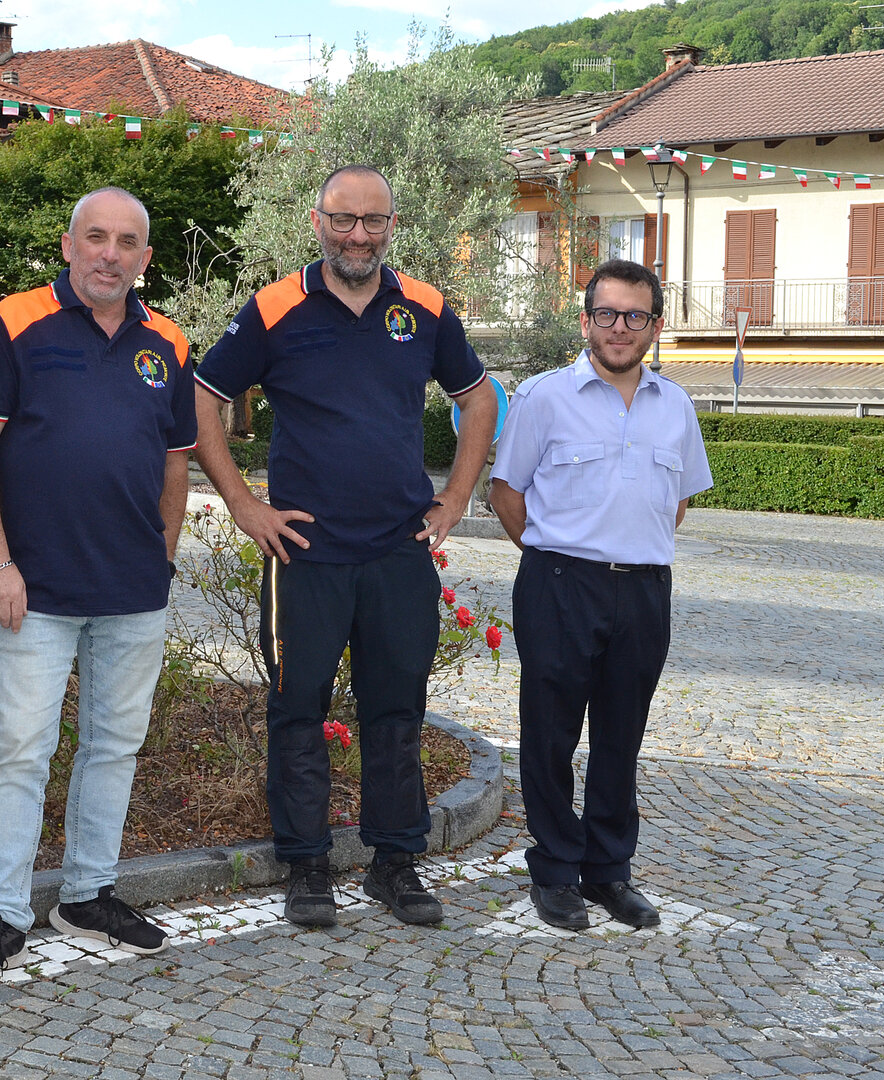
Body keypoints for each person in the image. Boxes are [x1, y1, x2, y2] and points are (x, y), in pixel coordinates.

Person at [192, 165, 497, 928]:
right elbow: (202, 398)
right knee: (298, 708)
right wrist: (243, 504)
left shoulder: (425, 307)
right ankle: (306, 867)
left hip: (399, 550)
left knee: (397, 710)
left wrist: (457, 495)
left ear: (392, 225)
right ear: (316, 221)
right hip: (305, 552)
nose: (358, 235)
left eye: (373, 221)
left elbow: (479, 398)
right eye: (343, 219)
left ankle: (396, 863)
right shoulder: (274, 307)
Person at [0, 187, 194, 990]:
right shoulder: (13, 321)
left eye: (126, 242)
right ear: (68, 245)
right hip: (34, 589)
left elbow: (176, 461)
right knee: (20, 751)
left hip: (133, 590)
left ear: (144, 258)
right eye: (95, 237)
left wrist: (162, 559)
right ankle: (3, 915)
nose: (109, 254)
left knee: (114, 747)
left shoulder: (169, 342)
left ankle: (87, 896)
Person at [488, 258, 712, 932]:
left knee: (621, 736)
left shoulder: (676, 406)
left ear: (655, 326)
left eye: (635, 315)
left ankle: (610, 871)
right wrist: (557, 556)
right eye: (607, 314)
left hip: (644, 590)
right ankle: (556, 870)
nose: (620, 327)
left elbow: (676, 503)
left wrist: (626, 550)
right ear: (586, 321)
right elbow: (506, 492)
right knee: (550, 733)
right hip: (560, 584)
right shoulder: (543, 397)